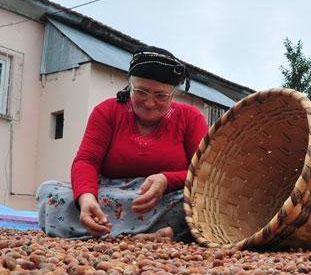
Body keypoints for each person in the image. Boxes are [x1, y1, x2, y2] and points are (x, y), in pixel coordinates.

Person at [36, 46, 209, 241]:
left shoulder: (190, 117)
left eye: (160, 95)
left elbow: (203, 173)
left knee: (201, 201)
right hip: (110, 193)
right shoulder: (107, 111)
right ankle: (169, 233)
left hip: (165, 198)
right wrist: (86, 198)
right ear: (130, 86)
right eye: (141, 92)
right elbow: (86, 161)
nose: (150, 103)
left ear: (173, 94)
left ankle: (164, 231)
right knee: (50, 192)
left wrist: (167, 180)